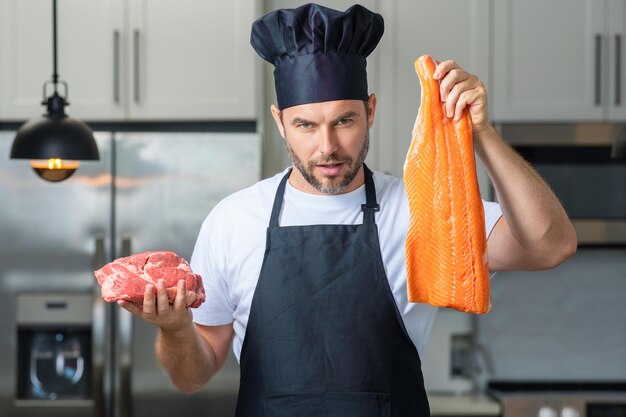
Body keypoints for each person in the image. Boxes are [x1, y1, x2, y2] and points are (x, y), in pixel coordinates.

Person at [118, 3, 577, 416]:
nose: (328, 147)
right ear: (281, 122)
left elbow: (549, 246)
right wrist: (177, 331)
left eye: (344, 120)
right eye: (305, 125)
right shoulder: (234, 220)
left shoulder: (420, 210)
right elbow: (192, 377)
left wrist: (482, 133)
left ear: (370, 111)